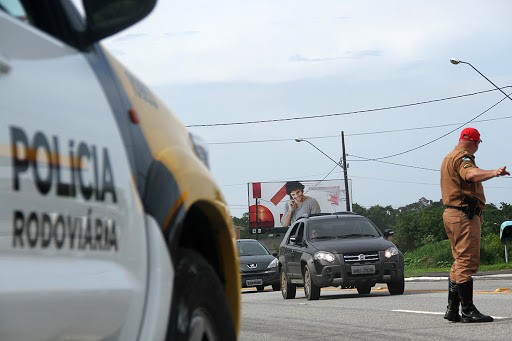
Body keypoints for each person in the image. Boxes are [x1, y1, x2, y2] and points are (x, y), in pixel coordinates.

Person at [440, 127, 509, 323]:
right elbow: (470, 175)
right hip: (463, 215)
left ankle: (453, 309)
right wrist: (494, 172)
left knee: (458, 261)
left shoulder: (448, 157)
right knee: (467, 262)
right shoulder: (463, 158)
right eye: (479, 143)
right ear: (474, 142)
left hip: (453, 214)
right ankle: (468, 310)